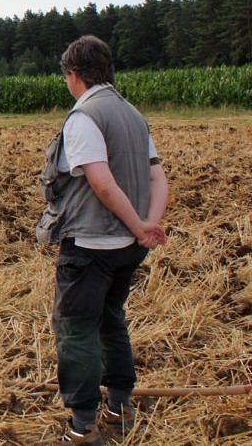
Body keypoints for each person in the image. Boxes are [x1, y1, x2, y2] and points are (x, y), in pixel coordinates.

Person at [38, 35, 168, 445]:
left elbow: (102, 183)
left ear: (74, 75)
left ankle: (82, 425)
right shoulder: (133, 114)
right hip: (128, 250)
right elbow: (157, 176)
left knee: (77, 329)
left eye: (67, 77)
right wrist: (148, 223)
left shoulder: (84, 117)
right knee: (111, 318)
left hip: (92, 245)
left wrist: (136, 224)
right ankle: (120, 404)